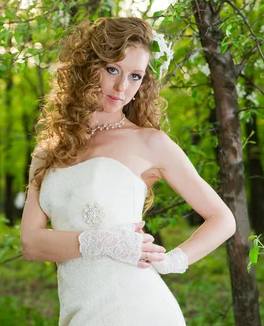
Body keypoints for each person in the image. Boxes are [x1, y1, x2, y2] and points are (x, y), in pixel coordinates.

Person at [20, 17, 236, 325]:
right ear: (88, 66)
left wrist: (172, 260)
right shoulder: (47, 154)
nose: (123, 86)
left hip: (136, 308)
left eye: (135, 76)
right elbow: (31, 244)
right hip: (79, 311)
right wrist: (102, 242)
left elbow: (223, 219)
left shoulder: (149, 142)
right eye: (112, 69)